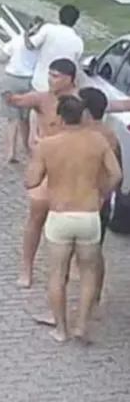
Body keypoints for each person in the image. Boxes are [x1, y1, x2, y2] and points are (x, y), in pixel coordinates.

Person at [23, 95, 121, 343]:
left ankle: (61, 329)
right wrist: (101, 192)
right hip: (88, 214)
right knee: (88, 271)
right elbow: (117, 174)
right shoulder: (97, 141)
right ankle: (82, 324)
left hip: (60, 214)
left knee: (57, 274)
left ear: (60, 116)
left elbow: (30, 181)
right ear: (83, 116)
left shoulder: (48, 145)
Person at [5, 58, 80, 287]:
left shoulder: (81, 100)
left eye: (56, 76)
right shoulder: (42, 98)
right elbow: (17, 100)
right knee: (36, 218)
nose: (50, 79)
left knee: (74, 221)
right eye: (50, 74)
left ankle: (74, 265)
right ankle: (26, 268)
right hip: (45, 169)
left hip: (71, 170)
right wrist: (8, 91)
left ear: (71, 80)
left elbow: (114, 105)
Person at [78, 87, 121, 307]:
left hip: (93, 202)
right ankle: (94, 295)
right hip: (95, 201)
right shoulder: (105, 133)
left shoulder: (101, 137)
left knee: (89, 253)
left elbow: (114, 173)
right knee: (94, 250)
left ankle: (92, 296)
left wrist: (101, 195)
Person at [0, 16, 40, 163]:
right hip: (30, 82)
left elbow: (1, 58)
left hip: (11, 80)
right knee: (25, 119)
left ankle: (10, 153)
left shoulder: (16, 40)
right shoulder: (40, 44)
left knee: (12, 119)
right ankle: (28, 148)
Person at [25, 4, 84, 94]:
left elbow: (30, 46)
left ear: (59, 16)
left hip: (39, 83)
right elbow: (74, 66)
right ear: (75, 21)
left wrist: (26, 33)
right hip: (59, 89)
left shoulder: (48, 29)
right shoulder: (78, 42)